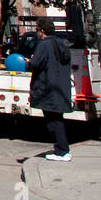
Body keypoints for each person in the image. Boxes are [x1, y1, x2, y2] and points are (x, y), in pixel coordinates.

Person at [28, 18, 73, 161]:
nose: (36, 33)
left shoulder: (44, 45)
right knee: (57, 119)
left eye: (37, 30)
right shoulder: (61, 44)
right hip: (60, 87)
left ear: (42, 31)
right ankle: (62, 149)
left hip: (47, 87)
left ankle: (62, 151)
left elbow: (35, 64)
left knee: (53, 121)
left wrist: (28, 62)